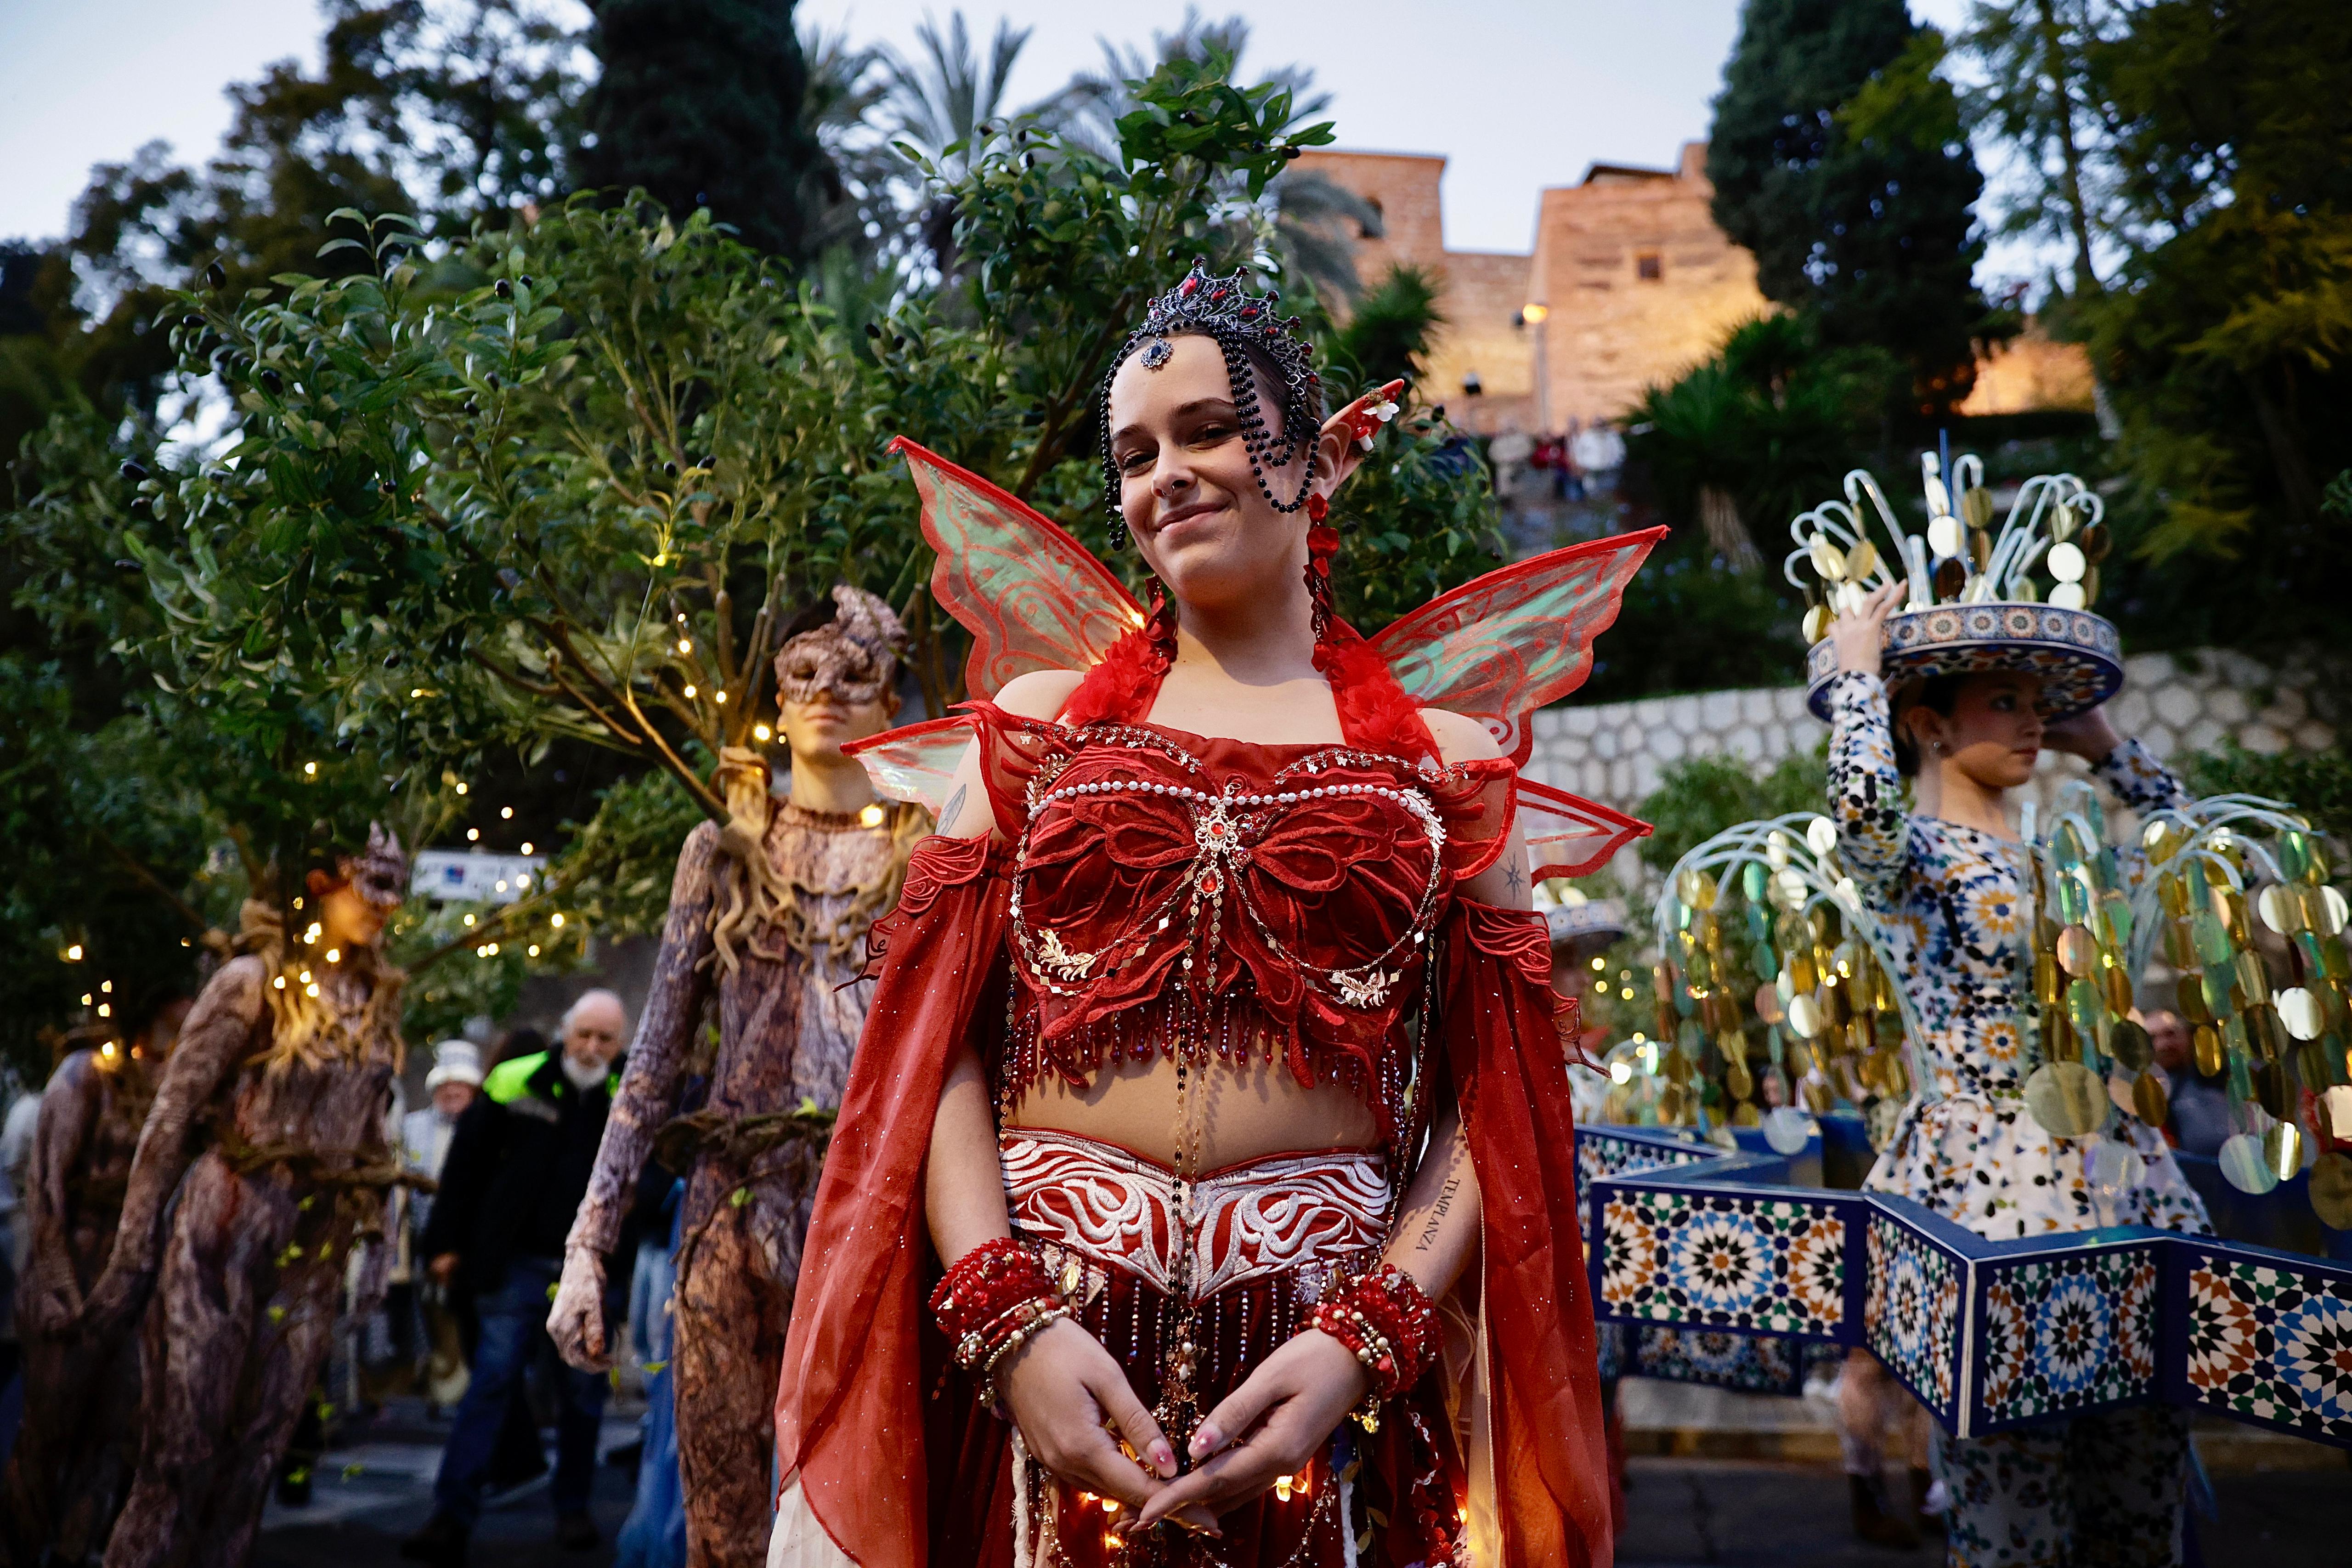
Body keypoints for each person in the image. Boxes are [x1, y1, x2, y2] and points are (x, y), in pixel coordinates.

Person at [771, 261, 1635, 1566]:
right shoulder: (1038, 734)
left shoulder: (1447, 769)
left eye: (1210, 431)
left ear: (1320, 462)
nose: (1166, 475)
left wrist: (1369, 1335)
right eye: (1134, 455)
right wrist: (1006, 1320)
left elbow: (1498, 1093)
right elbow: (932, 1045)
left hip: (1318, 1383)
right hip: (1044, 1366)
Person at [1826, 577, 2210, 1565]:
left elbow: (2189, 849)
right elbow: (1861, 816)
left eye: (2038, 702)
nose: (2033, 720)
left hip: (2121, 1175)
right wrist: (1861, 677)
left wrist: (2106, 744)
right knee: (2011, 1496)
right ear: (1929, 725)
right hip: (1986, 1186)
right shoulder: (1912, 856)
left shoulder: (2064, 855)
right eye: (2006, 701)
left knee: (2145, 1475)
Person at [544, 585, 924, 1568]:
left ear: (892, 698)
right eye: (804, 671)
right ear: (778, 698)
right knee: (720, 1522)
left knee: (859, 1524)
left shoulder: (926, 851)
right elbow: (653, 1062)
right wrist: (589, 1246)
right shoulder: (721, 853)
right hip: (729, 1215)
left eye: (856, 672)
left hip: (870, 1219)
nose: (827, 690)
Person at [76, 828, 413, 1568]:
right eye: (374, 883)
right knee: (178, 1458)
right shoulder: (253, 982)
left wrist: (380, 1240)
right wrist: (133, 1253)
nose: (389, 905)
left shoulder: (376, 999)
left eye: (400, 887)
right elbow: (171, 1116)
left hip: (314, 1250)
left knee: (257, 1462)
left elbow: (374, 1133)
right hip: (222, 1236)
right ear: (325, 882)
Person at [402, 992, 629, 1562]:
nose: (592, 1047)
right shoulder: (514, 1080)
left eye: (604, 1038)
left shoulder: (629, 1086)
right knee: (491, 1382)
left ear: (619, 1042)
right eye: (583, 1034)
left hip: (592, 1269)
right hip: (517, 1263)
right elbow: (467, 1164)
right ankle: (452, 1513)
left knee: (582, 1393)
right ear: (565, 1031)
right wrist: (445, 1241)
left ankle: (573, 1508)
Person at [1, 994, 191, 1566]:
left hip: (132, 1284)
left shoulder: (179, 1083)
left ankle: (74, 1550)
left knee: (110, 1436)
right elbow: (47, 1187)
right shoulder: (86, 1073)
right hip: (74, 1273)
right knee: (47, 1433)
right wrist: (57, 1285)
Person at [396, 1042, 483, 1410]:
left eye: (460, 1085)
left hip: (470, 1243)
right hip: (419, 1238)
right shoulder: (412, 1127)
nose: (452, 1092)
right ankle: (437, 1386)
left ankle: (461, 1390)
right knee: (429, 1314)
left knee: (464, 1318)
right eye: (445, 1086)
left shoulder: (484, 1126)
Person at [2141, 1009, 2230, 1157]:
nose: (2163, 1045)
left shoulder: (2222, 1077)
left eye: (2170, 1034)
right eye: (2152, 1039)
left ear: (2187, 1035)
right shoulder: (2144, 1096)